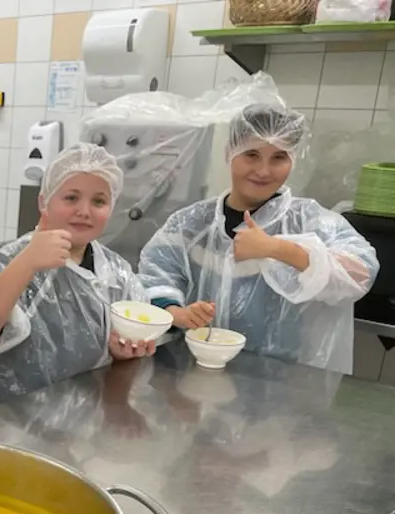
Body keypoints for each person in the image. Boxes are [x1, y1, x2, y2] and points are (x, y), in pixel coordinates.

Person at [138, 103, 378, 374]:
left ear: (293, 160)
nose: (264, 171)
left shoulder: (309, 221)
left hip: (283, 380)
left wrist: (278, 249)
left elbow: (361, 275)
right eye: (251, 154)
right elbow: (155, 278)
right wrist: (179, 313)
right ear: (230, 153)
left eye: (279, 157)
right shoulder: (190, 224)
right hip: (195, 373)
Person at [0, 143, 155, 409]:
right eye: (71, 198)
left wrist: (122, 351)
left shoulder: (116, 272)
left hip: (87, 420)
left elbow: (128, 336)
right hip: (10, 419)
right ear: (44, 202)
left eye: (99, 201)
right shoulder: (13, 258)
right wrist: (27, 263)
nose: (84, 211)